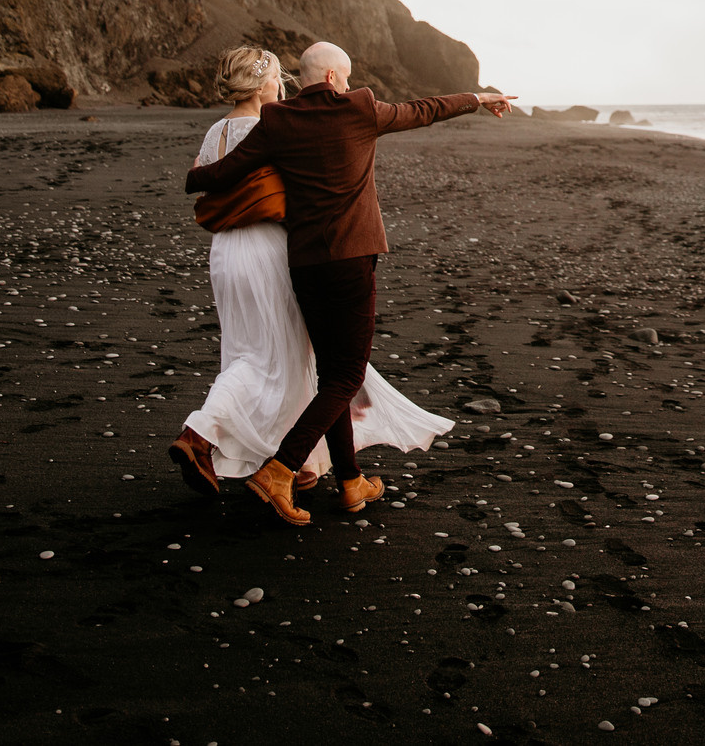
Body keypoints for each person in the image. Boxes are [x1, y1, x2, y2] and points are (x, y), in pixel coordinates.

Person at [183, 41, 511, 522]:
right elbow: (423, 110)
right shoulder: (358, 109)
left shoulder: (279, 120)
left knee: (328, 372)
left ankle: (351, 482)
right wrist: (478, 99)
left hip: (302, 264)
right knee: (346, 376)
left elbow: (217, 174)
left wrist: (194, 175)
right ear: (336, 79)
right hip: (351, 262)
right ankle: (279, 470)